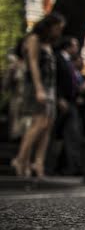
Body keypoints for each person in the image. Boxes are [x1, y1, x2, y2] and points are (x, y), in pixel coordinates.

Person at [11, 12, 66, 178]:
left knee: (47, 125)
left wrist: (53, 94)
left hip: (49, 88)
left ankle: (38, 163)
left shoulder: (48, 44)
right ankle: (21, 159)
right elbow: (33, 65)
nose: (59, 32)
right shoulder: (34, 39)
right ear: (49, 26)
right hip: (35, 86)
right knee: (39, 122)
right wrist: (39, 88)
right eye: (58, 28)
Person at [53, 36, 84, 175]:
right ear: (68, 46)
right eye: (75, 45)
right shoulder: (59, 58)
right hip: (62, 101)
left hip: (71, 102)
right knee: (57, 133)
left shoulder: (67, 62)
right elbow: (55, 79)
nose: (76, 48)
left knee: (72, 134)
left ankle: (71, 167)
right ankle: (53, 165)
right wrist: (59, 97)